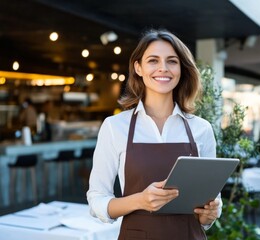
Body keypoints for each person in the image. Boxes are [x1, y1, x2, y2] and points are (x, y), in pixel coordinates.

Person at [87, 29, 222, 239]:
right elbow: (97, 201)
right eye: (153, 60)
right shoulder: (115, 127)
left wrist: (210, 214)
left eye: (172, 61)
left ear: (181, 69)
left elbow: (207, 214)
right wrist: (140, 200)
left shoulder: (201, 129)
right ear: (138, 67)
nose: (163, 68)